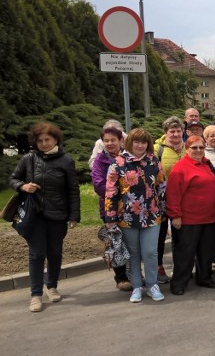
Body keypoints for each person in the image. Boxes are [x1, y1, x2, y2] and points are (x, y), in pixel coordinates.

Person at [9, 122, 80, 312]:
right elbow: (13, 178)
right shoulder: (29, 158)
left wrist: (74, 215)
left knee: (55, 252)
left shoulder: (66, 160)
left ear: (55, 139)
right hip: (36, 214)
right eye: (39, 140)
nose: (44, 143)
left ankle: (52, 286)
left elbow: (73, 190)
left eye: (47, 139)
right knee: (37, 253)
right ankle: (35, 294)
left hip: (58, 215)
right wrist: (23, 186)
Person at [105, 128, 167, 303]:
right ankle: (137, 286)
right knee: (133, 253)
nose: (140, 145)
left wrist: (163, 210)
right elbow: (110, 192)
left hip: (152, 215)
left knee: (150, 252)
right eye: (136, 142)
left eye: (144, 142)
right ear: (129, 143)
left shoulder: (154, 162)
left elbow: (162, 187)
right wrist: (110, 218)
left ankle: (153, 285)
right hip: (127, 217)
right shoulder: (118, 163)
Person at [166, 136, 215, 295]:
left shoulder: (206, 164)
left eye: (201, 148)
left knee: (206, 252)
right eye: (194, 148)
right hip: (190, 219)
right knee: (185, 253)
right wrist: (175, 216)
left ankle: (204, 278)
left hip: (209, 217)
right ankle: (179, 283)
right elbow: (173, 194)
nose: (198, 151)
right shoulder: (180, 168)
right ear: (187, 149)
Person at [90, 127, 131, 292]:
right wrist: (123, 190)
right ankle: (121, 277)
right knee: (115, 243)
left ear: (120, 140)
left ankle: (135, 273)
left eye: (112, 140)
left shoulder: (129, 157)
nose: (109, 143)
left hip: (131, 208)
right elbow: (99, 185)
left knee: (132, 243)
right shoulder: (100, 161)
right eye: (106, 141)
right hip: (110, 209)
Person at [154, 116, 186, 284]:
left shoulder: (188, 147)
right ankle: (159, 266)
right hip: (161, 199)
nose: (175, 134)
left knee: (180, 234)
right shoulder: (157, 149)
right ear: (165, 132)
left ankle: (180, 267)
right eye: (171, 131)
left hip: (184, 198)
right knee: (160, 235)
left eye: (178, 131)